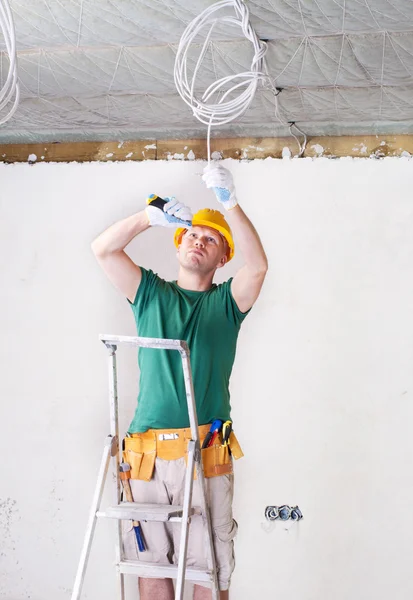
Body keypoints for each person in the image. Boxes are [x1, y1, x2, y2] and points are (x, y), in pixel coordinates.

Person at [91, 163, 268, 600]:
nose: (199, 240)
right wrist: (147, 217)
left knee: (207, 572)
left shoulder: (228, 304)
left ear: (223, 257)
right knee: (151, 569)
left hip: (205, 452)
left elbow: (259, 267)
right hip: (146, 455)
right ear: (177, 243)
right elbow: (103, 250)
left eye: (211, 239)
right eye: (192, 234)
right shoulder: (149, 293)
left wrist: (231, 203)